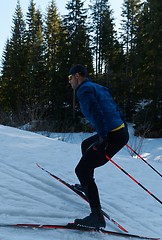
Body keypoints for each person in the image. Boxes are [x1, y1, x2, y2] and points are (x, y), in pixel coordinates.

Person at [68, 64, 129, 228]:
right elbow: (114, 107)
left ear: (77, 76)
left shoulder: (83, 90)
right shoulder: (98, 87)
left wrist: (103, 138)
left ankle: (96, 217)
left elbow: (96, 112)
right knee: (86, 144)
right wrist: (123, 128)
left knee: (81, 170)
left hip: (111, 135)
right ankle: (87, 184)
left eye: (70, 78)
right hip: (117, 132)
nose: (70, 82)